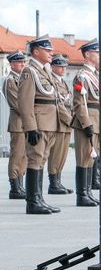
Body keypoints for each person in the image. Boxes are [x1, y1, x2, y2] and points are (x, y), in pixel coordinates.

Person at [17, 36, 61, 215]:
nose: (51, 53)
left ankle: (39, 198)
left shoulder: (45, 71)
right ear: (36, 51)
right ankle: (33, 201)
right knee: (35, 159)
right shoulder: (29, 71)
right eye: (47, 50)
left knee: (41, 159)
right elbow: (25, 102)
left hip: (49, 122)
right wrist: (30, 127)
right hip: (39, 123)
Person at [71, 39, 101, 206]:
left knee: (91, 158)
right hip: (88, 120)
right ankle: (81, 194)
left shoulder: (95, 76)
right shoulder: (82, 76)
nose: (99, 56)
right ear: (88, 54)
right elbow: (79, 103)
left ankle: (88, 192)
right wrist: (86, 123)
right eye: (96, 53)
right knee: (84, 157)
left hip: (97, 120)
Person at [46, 55, 74, 196]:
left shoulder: (63, 82)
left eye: (64, 66)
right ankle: (53, 183)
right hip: (59, 122)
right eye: (60, 66)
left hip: (67, 123)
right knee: (56, 154)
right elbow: (59, 104)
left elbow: (69, 101)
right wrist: (70, 119)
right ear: (53, 67)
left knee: (63, 154)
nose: (63, 69)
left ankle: (58, 180)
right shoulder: (52, 81)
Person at [4, 51, 28, 199]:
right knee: (16, 155)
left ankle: (20, 185)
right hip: (18, 123)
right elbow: (17, 103)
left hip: (26, 123)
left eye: (23, 62)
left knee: (24, 156)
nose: (23, 64)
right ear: (12, 64)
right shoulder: (10, 80)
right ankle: (14, 188)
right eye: (20, 62)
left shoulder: (22, 79)